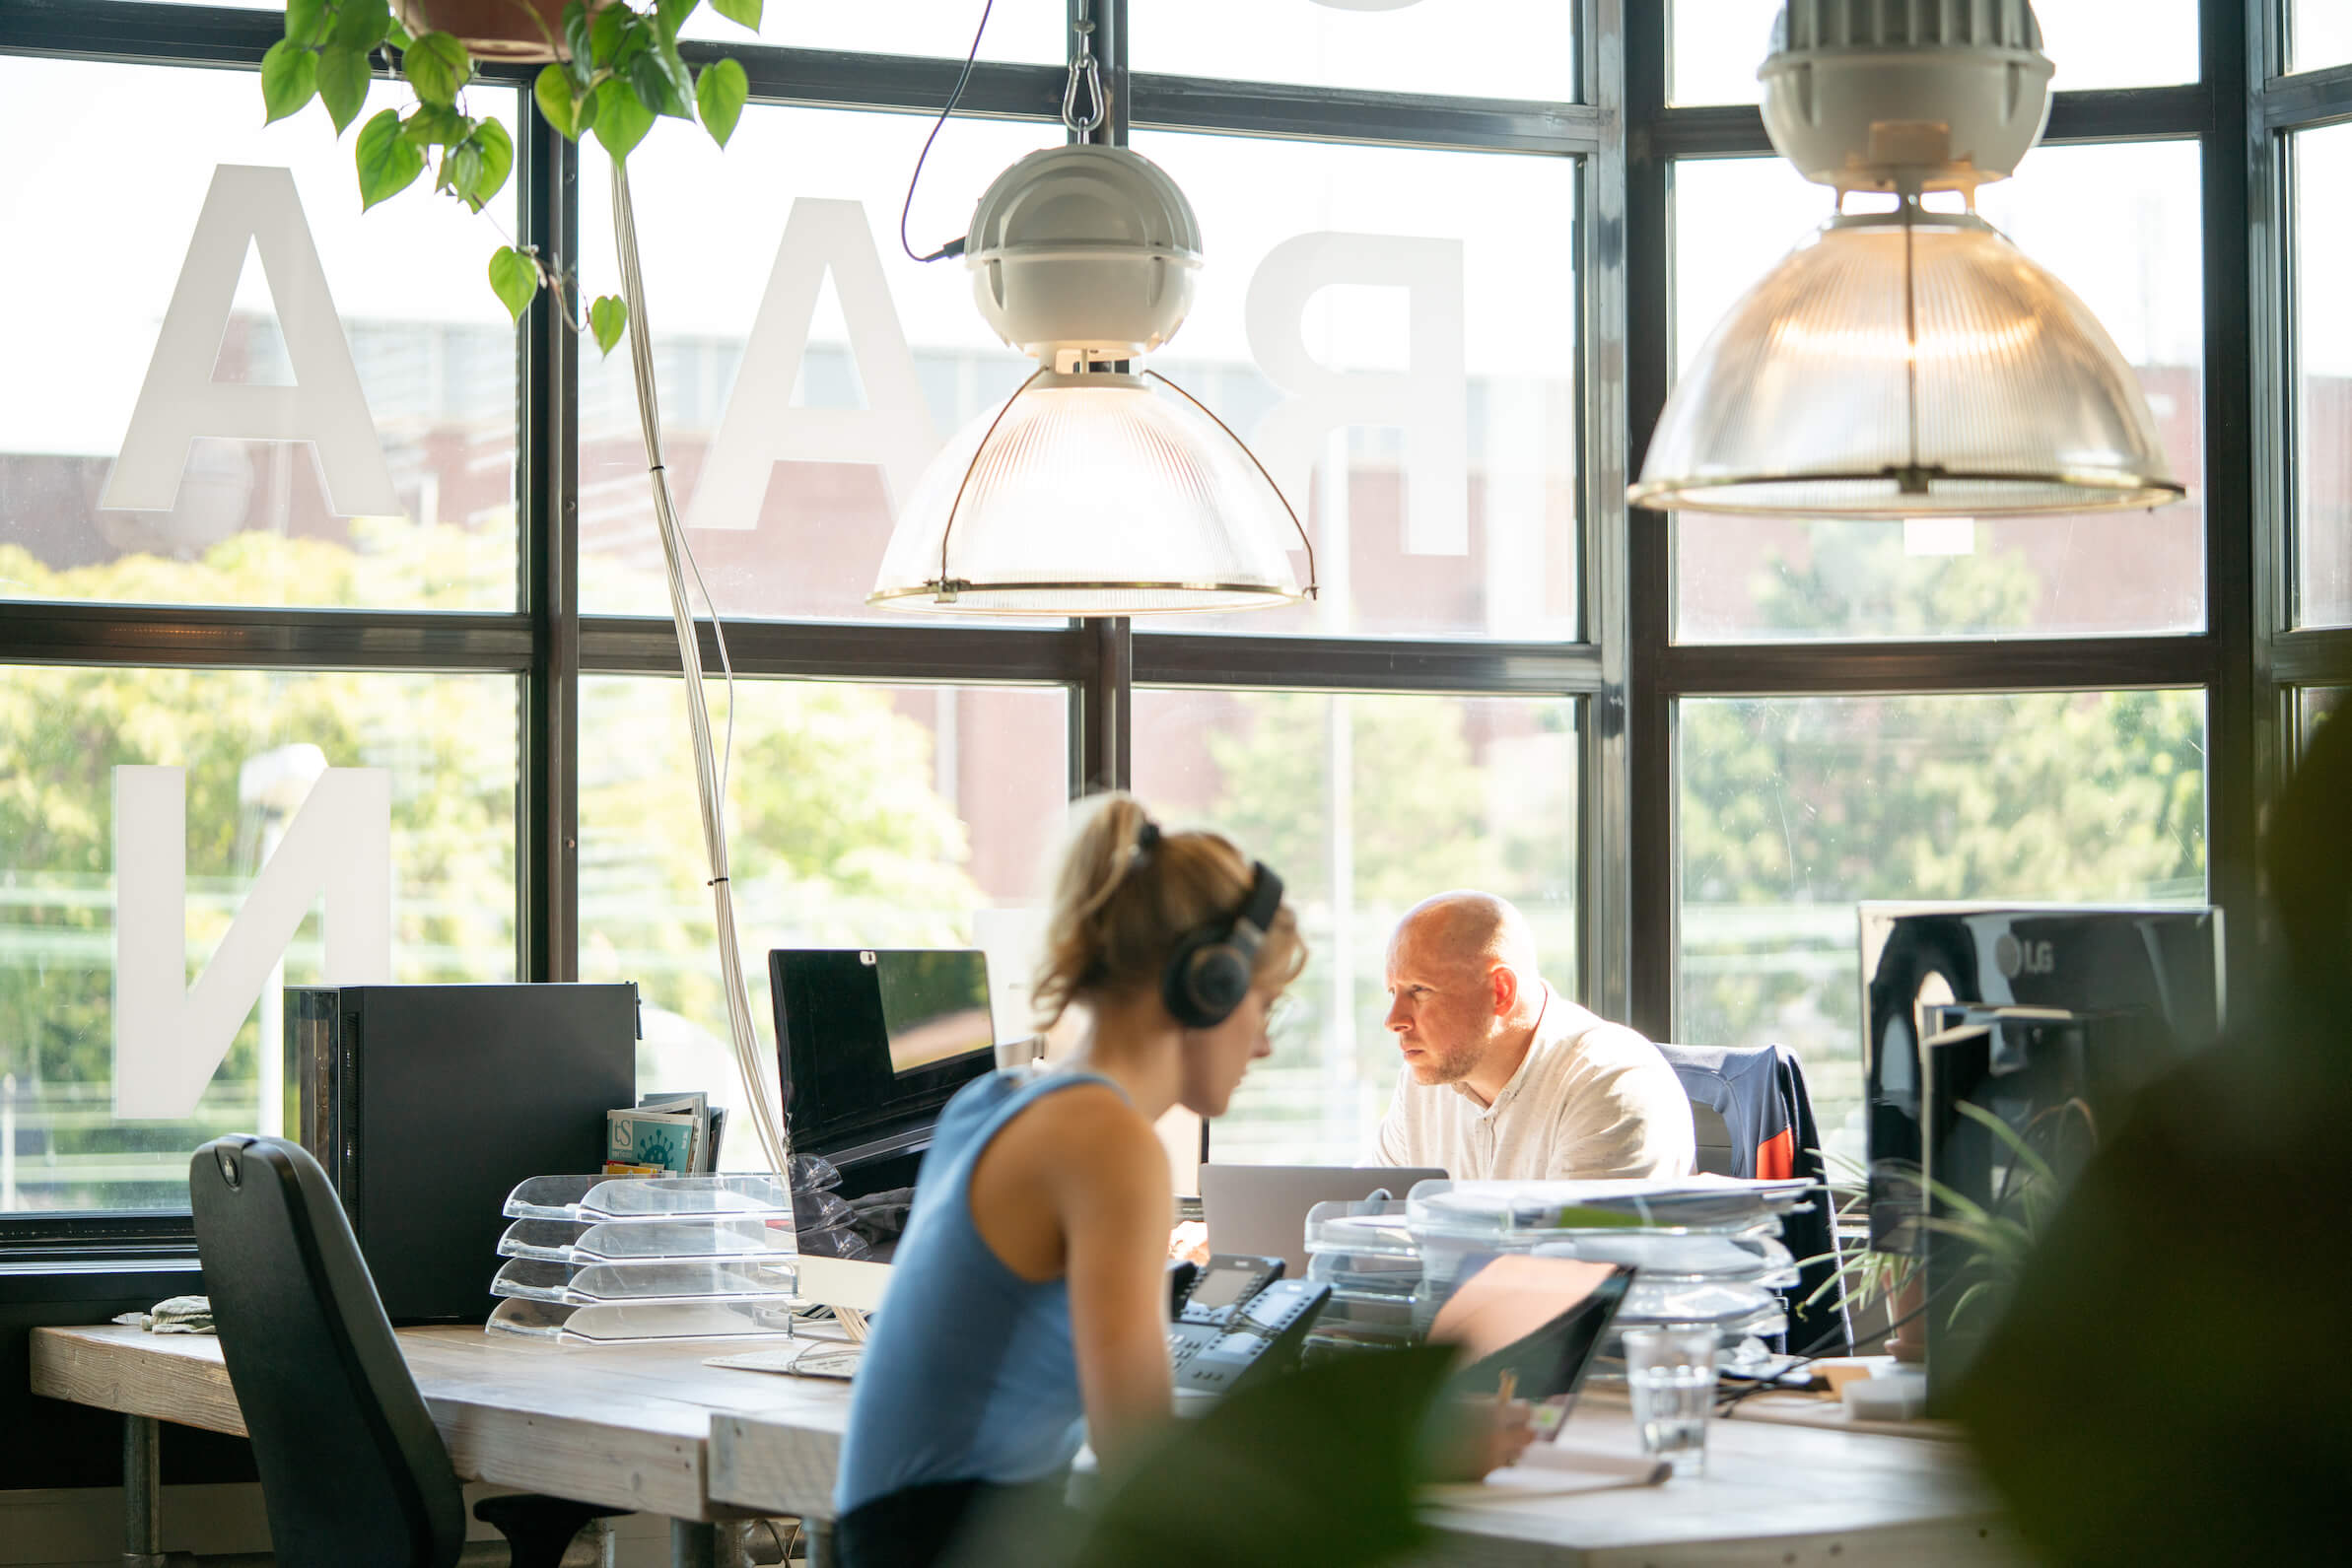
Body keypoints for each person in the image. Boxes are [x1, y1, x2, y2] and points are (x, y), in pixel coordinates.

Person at [833, 797, 1536, 1568]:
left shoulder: (994, 1099)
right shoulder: (1109, 1142)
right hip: (950, 1544)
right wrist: (1411, 1446)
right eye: (1263, 1005)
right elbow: (1147, 1459)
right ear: (1209, 985)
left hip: (902, 1539)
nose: (1263, 1043)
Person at [1373, 890, 1694, 1181]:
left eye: (1419, 990)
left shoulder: (1611, 1082)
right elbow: (1367, 1214)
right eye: (1393, 992)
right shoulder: (1424, 1084)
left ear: (1500, 991)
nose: (1393, 1020)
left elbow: (1570, 1243)